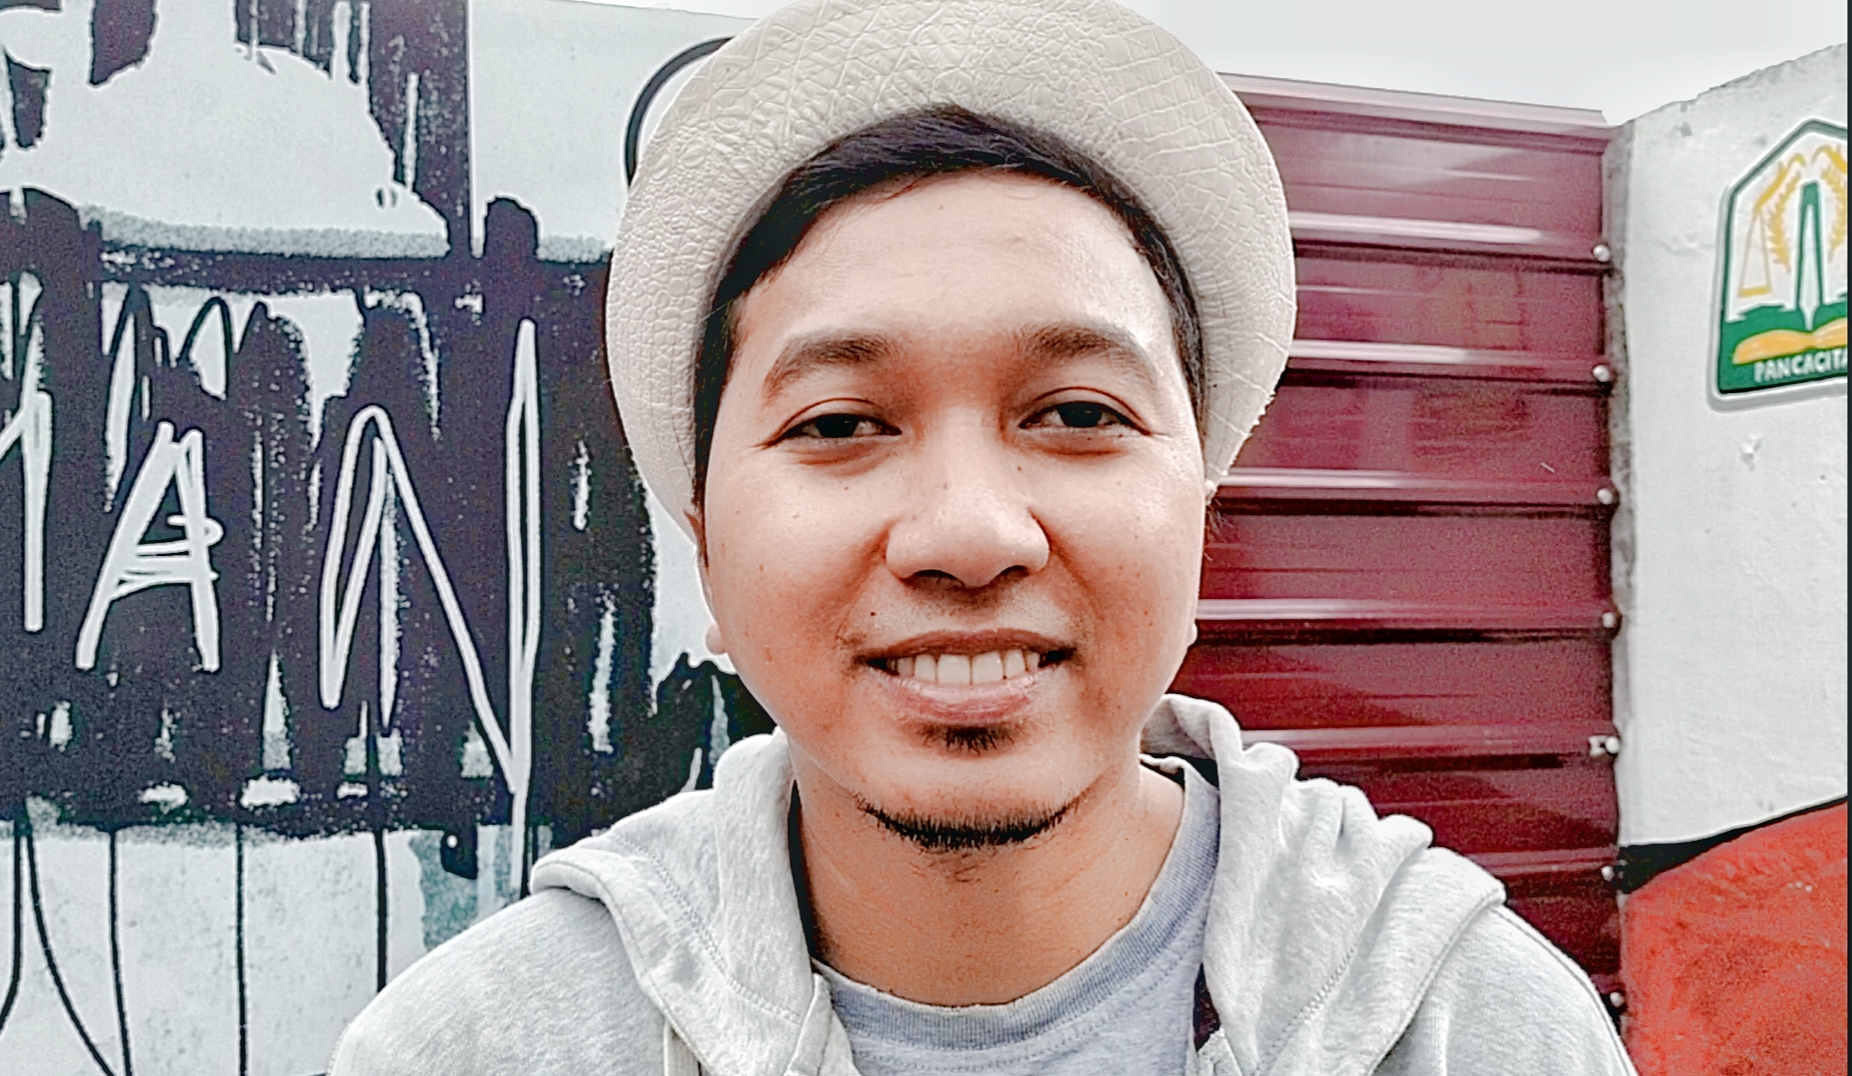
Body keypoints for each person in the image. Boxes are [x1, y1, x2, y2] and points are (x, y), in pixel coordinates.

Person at [332, 1, 1637, 1072]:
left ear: (1200, 509)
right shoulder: (476, 1048)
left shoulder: (1477, 1032)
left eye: (1076, 412)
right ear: (706, 550)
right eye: (841, 422)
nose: (968, 534)